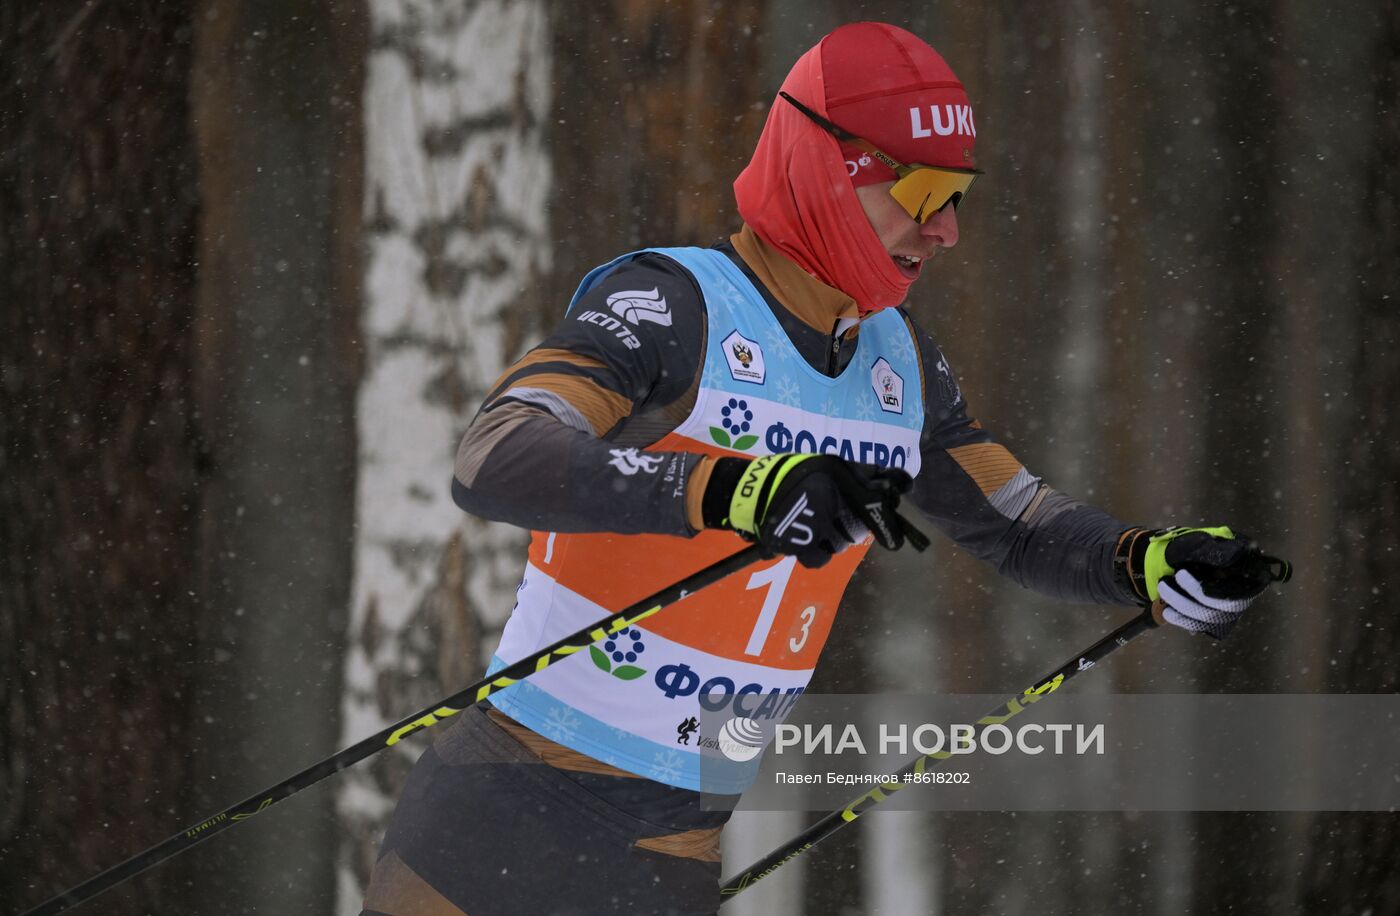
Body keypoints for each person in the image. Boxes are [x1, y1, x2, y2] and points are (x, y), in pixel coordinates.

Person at [360, 21, 1281, 916]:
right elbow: (496, 453)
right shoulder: (674, 302)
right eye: (923, 193)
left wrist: (1151, 561)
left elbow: (1018, 521)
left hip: (671, 849)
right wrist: (736, 488)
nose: (948, 230)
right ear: (827, 169)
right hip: (508, 803)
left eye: (958, 196)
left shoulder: (900, 365)